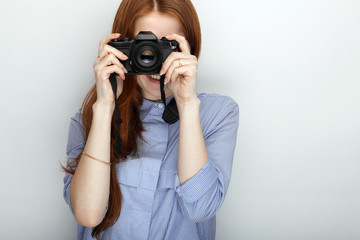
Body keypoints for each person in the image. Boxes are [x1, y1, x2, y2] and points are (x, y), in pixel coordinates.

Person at [62, 0, 239, 239]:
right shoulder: (90, 118)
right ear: (121, 49)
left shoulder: (217, 114)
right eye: (143, 44)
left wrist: (186, 104)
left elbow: (200, 209)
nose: (153, 57)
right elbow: (88, 215)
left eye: (169, 44)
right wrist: (105, 107)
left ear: (190, 48)